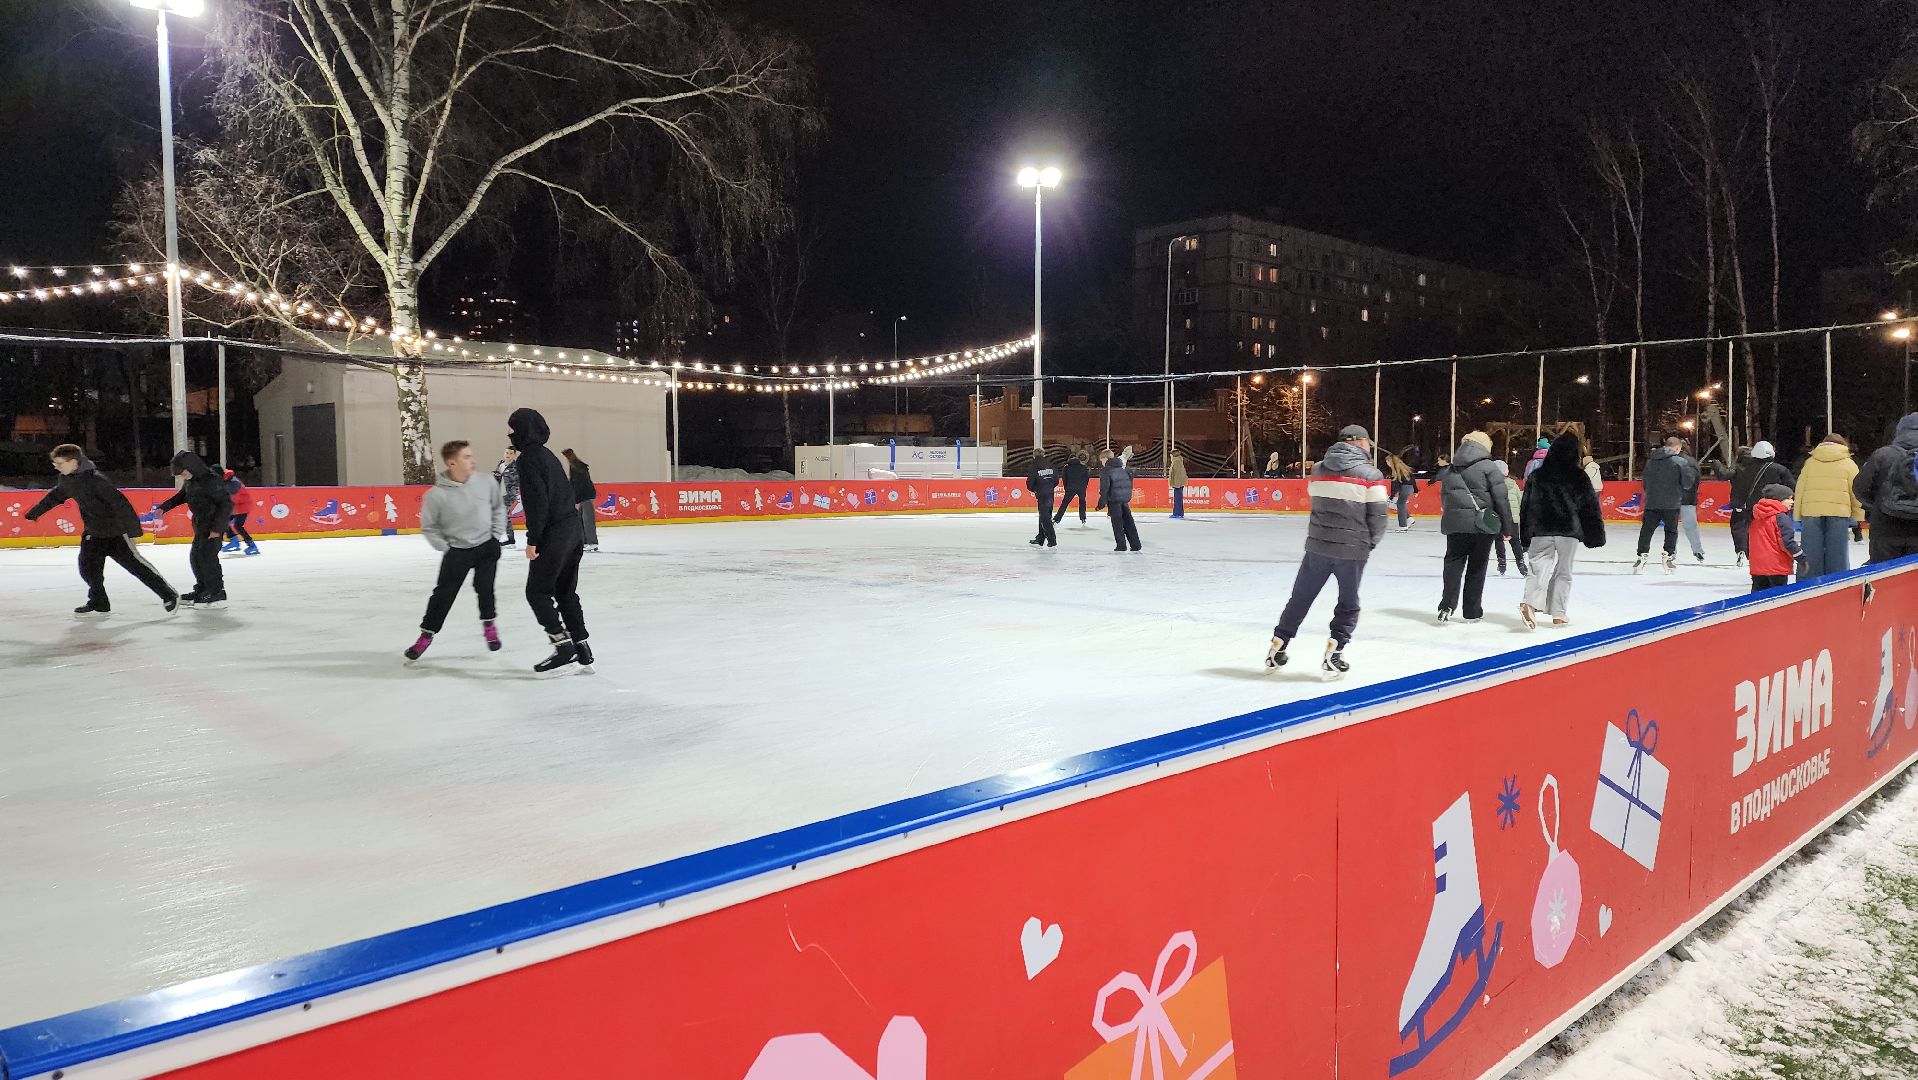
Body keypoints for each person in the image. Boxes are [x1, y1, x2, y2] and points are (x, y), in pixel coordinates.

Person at [1266, 425, 1388, 678]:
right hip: (1352, 550)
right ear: (1359, 443)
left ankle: (1278, 645)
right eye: (1368, 443)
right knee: (1348, 603)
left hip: (1318, 546)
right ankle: (1335, 652)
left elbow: (1318, 500)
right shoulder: (1371, 474)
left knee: (1300, 598)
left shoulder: (1318, 469)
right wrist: (1370, 542)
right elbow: (1378, 516)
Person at [24, 443, 179, 616]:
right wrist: (35, 513)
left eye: (60, 463)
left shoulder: (96, 481)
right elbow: (56, 496)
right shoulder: (68, 480)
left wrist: (134, 530)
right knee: (87, 568)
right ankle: (99, 602)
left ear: (73, 462)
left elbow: (121, 504)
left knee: (137, 567)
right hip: (93, 533)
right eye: (55, 464)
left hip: (115, 533)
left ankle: (169, 594)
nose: (57, 467)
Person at [404, 440, 508, 661]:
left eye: (471, 455)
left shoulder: (487, 482)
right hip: (457, 552)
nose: (473, 461)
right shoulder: (436, 495)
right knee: (443, 595)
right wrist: (446, 548)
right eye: (466, 457)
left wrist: (495, 536)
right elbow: (430, 527)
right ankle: (426, 635)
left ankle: (489, 626)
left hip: (486, 547)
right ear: (452, 462)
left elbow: (498, 508)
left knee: (485, 588)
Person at [511, 408, 592, 672]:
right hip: (572, 531)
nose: (511, 434)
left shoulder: (528, 459)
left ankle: (562, 645)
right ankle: (582, 647)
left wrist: (533, 539)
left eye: (513, 428)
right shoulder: (548, 455)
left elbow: (537, 503)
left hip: (554, 533)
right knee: (565, 591)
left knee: (536, 592)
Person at [1517, 433, 1606, 629]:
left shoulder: (1537, 476)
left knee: (1538, 568)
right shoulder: (1579, 476)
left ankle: (1530, 603)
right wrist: (1595, 535)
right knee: (1564, 572)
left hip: (1540, 529)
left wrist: (1524, 536)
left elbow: (1526, 507)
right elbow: (1589, 508)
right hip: (1568, 531)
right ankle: (1558, 613)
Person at [1437, 431, 1514, 622]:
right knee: (1477, 567)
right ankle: (1471, 611)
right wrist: (1507, 527)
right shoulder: (1489, 467)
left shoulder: (1451, 468)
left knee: (1453, 563)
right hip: (1482, 525)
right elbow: (1501, 499)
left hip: (1455, 524)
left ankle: (1446, 605)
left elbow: (1445, 497)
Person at [155, 451, 234, 606]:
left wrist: (217, 529)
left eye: (183, 473)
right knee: (196, 557)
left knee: (208, 558)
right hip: (200, 525)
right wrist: (163, 508)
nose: (182, 476)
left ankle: (216, 591)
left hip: (213, 526)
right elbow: (181, 497)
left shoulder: (211, 481)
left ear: (192, 467)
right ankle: (203, 588)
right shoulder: (192, 482)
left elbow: (226, 504)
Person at [1791, 433, 1862, 579]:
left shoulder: (1810, 462)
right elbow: (1856, 491)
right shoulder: (1849, 464)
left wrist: (1797, 514)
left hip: (1811, 512)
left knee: (1810, 550)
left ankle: (1808, 585)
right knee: (1837, 552)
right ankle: (1837, 583)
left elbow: (1800, 489)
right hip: (1839, 512)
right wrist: (1857, 515)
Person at [1856, 412, 1918, 563]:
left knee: (1885, 577)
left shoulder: (1883, 454)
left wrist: (1878, 503)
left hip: (1885, 529)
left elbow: (1860, 488)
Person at [1634, 436, 1693, 574]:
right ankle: (1668, 555)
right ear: (1677, 448)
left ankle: (1641, 555)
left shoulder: (1651, 461)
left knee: (1647, 530)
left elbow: (1645, 482)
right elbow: (1687, 483)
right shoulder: (1680, 462)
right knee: (1671, 530)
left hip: (1652, 502)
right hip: (1671, 503)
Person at [1728, 441, 1792, 567]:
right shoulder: (1780, 469)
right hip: (1775, 507)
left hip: (1753, 507)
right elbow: (1791, 486)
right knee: (1775, 533)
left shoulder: (1744, 469)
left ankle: (1750, 553)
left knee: (1753, 532)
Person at [1749, 485, 1801, 593]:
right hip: (1777, 567)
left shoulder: (1756, 517)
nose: (1792, 502)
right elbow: (1787, 543)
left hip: (1758, 567)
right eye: (1789, 498)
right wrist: (1801, 557)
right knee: (1776, 601)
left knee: (1756, 601)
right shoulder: (1781, 518)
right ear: (1779, 500)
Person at [1100, 449, 1141, 552]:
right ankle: (1136, 545)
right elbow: (1129, 484)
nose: (1101, 463)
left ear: (1105, 459)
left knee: (1117, 523)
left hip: (1114, 500)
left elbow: (1104, 488)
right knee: (1129, 522)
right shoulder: (1123, 468)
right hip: (1124, 500)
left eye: (1101, 460)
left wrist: (1101, 502)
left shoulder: (1106, 471)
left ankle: (1121, 545)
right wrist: (1127, 496)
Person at [1493, 461, 1529, 577]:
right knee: (1515, 541)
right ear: (1506, 471)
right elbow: (1519, 501)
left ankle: (1502, 563)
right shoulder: (1513, 484)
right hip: (1512, 518)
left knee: (1498, 540)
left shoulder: (1492, 485)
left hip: (1498, 518)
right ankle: (1521, 563)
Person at [562, 448, 599, 553]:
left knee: (588, 520)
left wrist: (577, 500)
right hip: (583, 496)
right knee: (581, 520)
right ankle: (585, 542)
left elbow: (578, 485)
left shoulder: (576, 467)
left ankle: (593, 542)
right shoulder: (576, 466)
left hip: (586, 496)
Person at [219, 468, 259, 557]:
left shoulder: (234, 483)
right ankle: (234, 541)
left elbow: (229, 493)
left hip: (243, 506)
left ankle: (252, 545)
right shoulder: (229, 481)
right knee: (223, 521)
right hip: (237, 506)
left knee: (238, 526)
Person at [1026, 453, 1058, 547]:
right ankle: (1040, 539)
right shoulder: (1050, 464)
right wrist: (1050, 487)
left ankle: (1052, 541)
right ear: (1043, 454)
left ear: (1034, 456)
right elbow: (1056, 479)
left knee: (1045, 518)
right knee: (1044, 516)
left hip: (1041, 495)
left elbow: (1030, 483)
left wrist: (1035, 490)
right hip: (1050, 494)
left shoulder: (1034, 466)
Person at [1054, 451, 1090, 526]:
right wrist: (1084, 486)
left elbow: (1064, 479)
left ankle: (1057, 519)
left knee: (1064, 504)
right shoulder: (1083, 467)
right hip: (1081, 488)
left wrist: (1066, 488)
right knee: (1082, 503)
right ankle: (1083, 519)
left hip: (1070, 488)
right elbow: (1086, 478)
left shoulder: (1067, 467)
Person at [1386, 449, 1418, 531]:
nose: (1387, 464)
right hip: (1409, 488)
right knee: (1401, 504)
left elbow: (1395, 484)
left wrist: (1391, 496)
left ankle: (1403, 526)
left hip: (1405, 488)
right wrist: (1415, 490)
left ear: (1391, 462)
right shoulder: (1404, 468)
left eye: (1387, 462)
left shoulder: (1395, 470)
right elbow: (1413, 479)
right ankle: (1409, 519)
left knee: (1400, 504)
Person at [496, 448, 521, 547]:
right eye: (506, 452)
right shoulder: (501, 465)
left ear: (514, 455)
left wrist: (513, 493)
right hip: (498, 494)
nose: (508, 455)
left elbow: (518, 482)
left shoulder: (515, 468)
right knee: (505, 517)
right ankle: (510, 538)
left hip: (509, 496)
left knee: (504, 516)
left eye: (511, 453)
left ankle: (509, 538)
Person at [1168, 451, 1189, 519]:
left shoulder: (1176, 461)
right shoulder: (1178, 460)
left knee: (1177, 499)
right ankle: (1179, 513)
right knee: (1178, 499)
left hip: (1178, 483)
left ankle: (1177, 513)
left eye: (1170, 455)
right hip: (1179, 483)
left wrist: (1176, 484)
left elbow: (1177, 474)